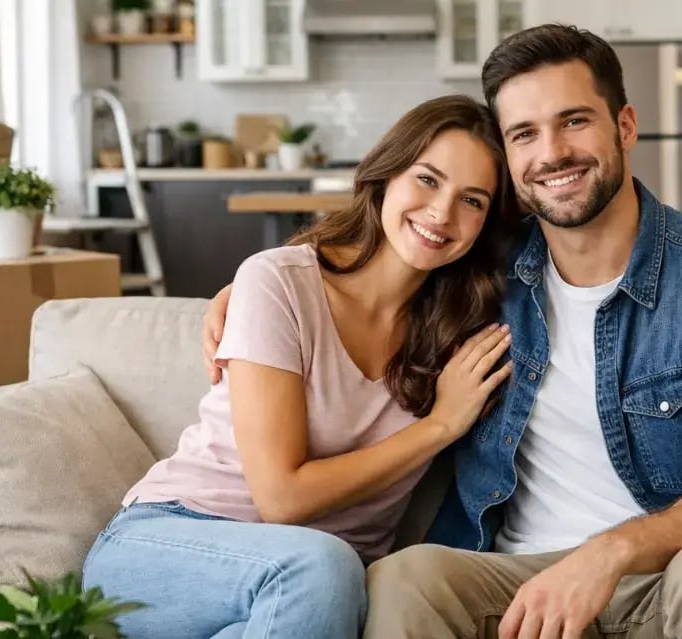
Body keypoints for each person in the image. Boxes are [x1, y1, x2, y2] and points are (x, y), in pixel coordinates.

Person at [203, 25, 682, 639]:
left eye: (574, 121)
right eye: (523, 134)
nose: (551, 153)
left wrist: (612, 551)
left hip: (678, 574)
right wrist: (258, 286)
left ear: (625, 125)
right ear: (509, 160)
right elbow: (371, 265)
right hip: (516, 580)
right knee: (405, 578)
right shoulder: (481, 272)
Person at [82, 94, 518, 639]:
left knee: (325, 577)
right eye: (427, 180)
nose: (442, 213)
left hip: (309, 600)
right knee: (322, 565)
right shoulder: (281, 284)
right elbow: (282, 498)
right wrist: (439, 426)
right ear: (385, 175)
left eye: (472, 201)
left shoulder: (466, 330)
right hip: (170, 546)